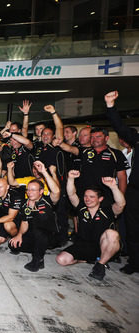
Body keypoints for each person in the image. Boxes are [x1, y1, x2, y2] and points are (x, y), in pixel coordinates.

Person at [56, 171, 125, 280]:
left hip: (103, 247)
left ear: (100, 199)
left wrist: (114, 187)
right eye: (86, 196)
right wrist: (70, 179)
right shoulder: (82, 208)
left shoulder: (108, 211)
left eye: (92, 197)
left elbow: (121, 204)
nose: (87, 199)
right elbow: (71, 194)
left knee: (112, 234)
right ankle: (88, 260)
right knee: (61, 260)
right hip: (84, 245)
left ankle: (101, 264)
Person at [105, 90, 139, 275]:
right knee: (132, 230)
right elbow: (122, 129)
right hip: (135, 192)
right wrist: (110, 106)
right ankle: (134, 262)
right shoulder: (137, 141)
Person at [8, 161, 61, 272]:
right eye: (28, 189)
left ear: (41, 191)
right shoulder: (26, 204)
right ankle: (38, 250)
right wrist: (19, 235)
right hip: (34, 235)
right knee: (14, 245)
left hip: (50, 236)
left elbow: (56, 191)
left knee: (39, 230)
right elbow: (25, 222)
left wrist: (44, 172)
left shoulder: (47, 201)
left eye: (33, 190)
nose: (29, 192)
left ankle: (37, 260)